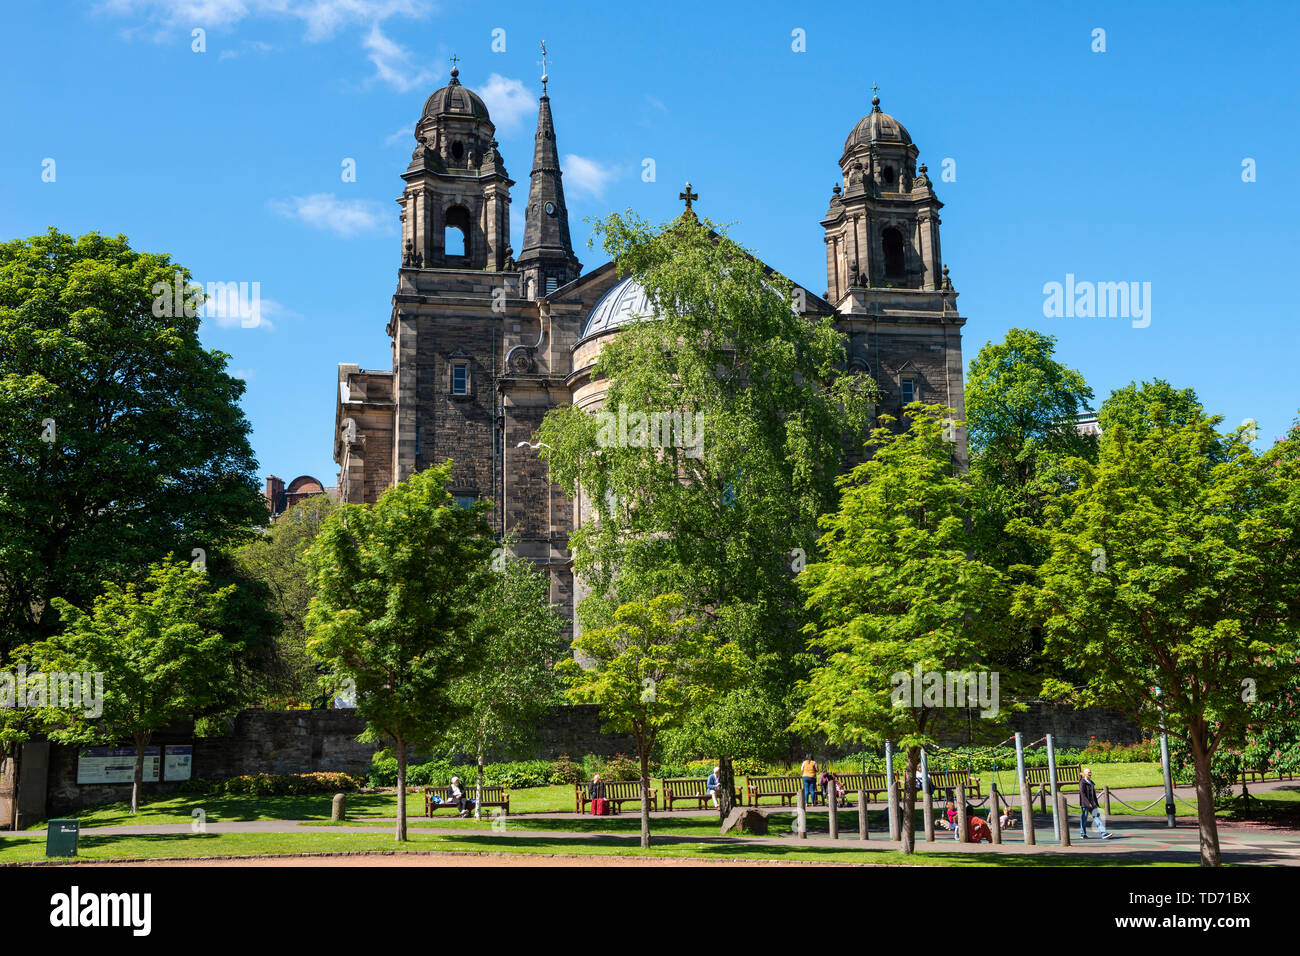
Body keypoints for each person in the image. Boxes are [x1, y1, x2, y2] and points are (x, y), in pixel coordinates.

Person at [1078, 767, 1111, 839]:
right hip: (1085, 804)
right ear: (1084, 774)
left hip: (1092, 804)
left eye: (1090, 772)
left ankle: (1104, 833)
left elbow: (1093, 795)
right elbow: (1082, 794)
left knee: (1097, 818)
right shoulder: (1082, 782)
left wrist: (1095, 803)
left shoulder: (1091, 783)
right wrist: (1087, 803)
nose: (1090, 773)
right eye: (1088, 772)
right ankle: (1082, 833)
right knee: (1084, 818)